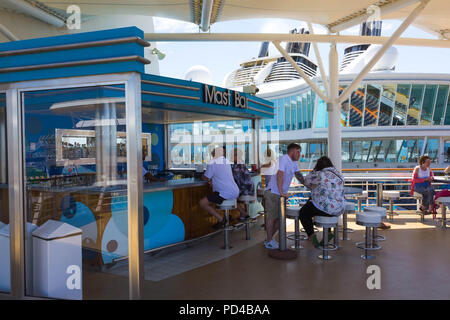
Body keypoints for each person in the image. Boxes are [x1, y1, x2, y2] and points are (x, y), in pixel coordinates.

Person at [295, 156, 345, 247]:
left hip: (325, 208)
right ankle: (328, 233)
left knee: (303, 213)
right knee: (320, 204)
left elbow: (306, 181)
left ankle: (311, 235)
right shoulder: (338, 174)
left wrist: (312, 171)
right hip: (339, 208)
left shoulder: (319, 174)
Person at [263, 143, 301, 249]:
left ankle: (268, 239)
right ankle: (269, 240)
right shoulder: (283, 159)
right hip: (273, 192)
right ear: (292, 151)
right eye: (298, 151)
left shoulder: (294, 163)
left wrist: (308, 184)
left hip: (280, 194)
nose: (299, 154)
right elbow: (280, 175)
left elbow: (298, 175)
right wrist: (281, 192)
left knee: (279, 219)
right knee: (271, 218)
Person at [199, 146, 240, 229]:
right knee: (213, 199)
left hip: (224, 193)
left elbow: (206, 177)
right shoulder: (226, 161)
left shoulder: (212, 162)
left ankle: (221, 220)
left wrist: (201, 175)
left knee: (202, 203)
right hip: (235, 191)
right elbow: (221, 176)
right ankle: (228, 216)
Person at [231, 148, 255, 220]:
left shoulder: (236, 166)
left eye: (232, 155)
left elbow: (237, 181)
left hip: (245, 190)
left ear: (236, 156)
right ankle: (244, 213)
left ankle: (243, 213)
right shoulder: (241, 163)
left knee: (229, 197)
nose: (231, 157)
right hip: (250, 189)